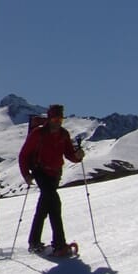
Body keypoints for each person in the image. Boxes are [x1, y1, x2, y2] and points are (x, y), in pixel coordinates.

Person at [18, 104, 85, 256]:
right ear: (49, 118)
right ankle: (59, 245)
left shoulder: (63, 134)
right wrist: (26, 174)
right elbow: (23, 155)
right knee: (55, 204)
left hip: (55, 175)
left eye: (60, 118)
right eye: (55, 118)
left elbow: (69, 154)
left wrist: (77, 157)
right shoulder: (38, 133)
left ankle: (34, 241)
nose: (58, 121)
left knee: (44, 207)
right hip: (40, 172)